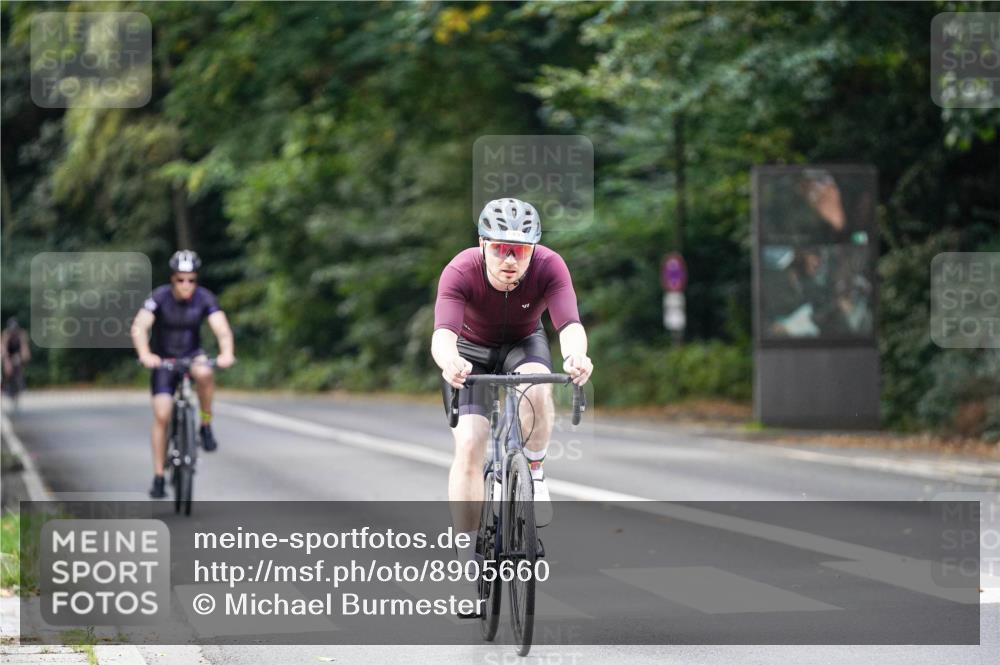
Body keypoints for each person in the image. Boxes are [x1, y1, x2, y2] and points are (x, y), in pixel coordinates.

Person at [431, 198, 593, 565]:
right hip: (469, 352)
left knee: (537, 388)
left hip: (523, 344)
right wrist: (449, 361)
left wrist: (576, 357)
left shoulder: (549, 266)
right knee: (470, 443)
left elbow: (569, 324)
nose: (509, 260)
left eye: (520, 251)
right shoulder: (460, 270)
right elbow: (443, 334)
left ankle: (533, 469)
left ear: (534, 249)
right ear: (482, 244)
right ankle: (466, 550)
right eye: (500, 249)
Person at [130, 250, 235, 498]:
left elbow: (222, 329)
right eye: (180, 279)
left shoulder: (204, 298)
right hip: (163, 360)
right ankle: (158, 476)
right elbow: (140, 326)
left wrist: (226, 353)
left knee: (205, 374)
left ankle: (205, 423)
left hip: (192, 355)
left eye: (191, 280)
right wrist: (145, 354)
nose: (186, 285)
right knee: (162, 415)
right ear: (172, 279)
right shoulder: (159, 297)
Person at [1, 318, 30, 397]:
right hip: (7, 354)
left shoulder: (21, 334)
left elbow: (25, 349)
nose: (13, 332)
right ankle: (4, 385)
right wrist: (7, 362)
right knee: (7, 367)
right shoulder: (6, 334)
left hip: (17, 355)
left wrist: (23, 358)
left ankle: (20, 382)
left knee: (19, 362)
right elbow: (4, 349)